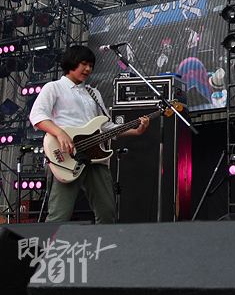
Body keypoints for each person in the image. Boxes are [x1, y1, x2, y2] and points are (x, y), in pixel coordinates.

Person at [30, 45, 150, 223]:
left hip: (96, 158)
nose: (88, 69)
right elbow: (37, 116)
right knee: (59, 215)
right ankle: (51, 243)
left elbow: (106, 126)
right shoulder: (54, 87)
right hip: (67, 156)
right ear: (71, 63)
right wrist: (60, 133)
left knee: (107, 212)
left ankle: (104, 242)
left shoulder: (94, 93)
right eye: (84, 64)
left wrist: (135, 130)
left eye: (91, 66)